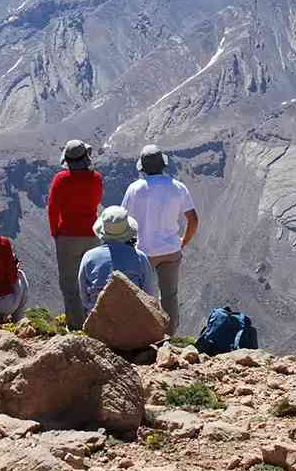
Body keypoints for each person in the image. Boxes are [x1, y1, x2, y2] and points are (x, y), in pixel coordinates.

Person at [121, 145, 198, 335]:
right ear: (163, 164)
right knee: (170, 295)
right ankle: (169, 336)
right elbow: (193, 219)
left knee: (144, 295)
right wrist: (183, 242)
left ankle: (145, 334)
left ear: (143, 167)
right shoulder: (178, 187)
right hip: (170, 249)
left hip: (143, 251)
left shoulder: (134, 189)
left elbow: (123, 218)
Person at [47, 139, 104, 329]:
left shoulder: (61, 179)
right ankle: (94, 323)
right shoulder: (96, 178)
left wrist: (56, 232)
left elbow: (53, 209)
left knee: (70, 284)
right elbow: (96, 202)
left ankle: (76, 326)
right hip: (92, 235)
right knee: (90, 282)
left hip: (67, 237)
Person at [78, 206, 157, 314]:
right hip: (133, 317)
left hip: (98, 318)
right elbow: (149, 293)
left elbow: (84, 296)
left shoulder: (89, 256)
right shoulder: (140, 257)